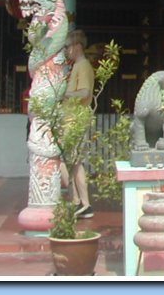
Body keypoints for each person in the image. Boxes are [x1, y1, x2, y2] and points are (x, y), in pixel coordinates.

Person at [62, 29, 95, 218]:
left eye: (68, 46)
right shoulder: (77, 66)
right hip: (70, 119)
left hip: (75, 119)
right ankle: (80, 203)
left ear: (77, 46)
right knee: (72, 162)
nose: (66, 50)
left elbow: (83, 93)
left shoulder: (83, 66)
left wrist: (63, 94)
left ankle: (80, 202)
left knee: (71, 161)